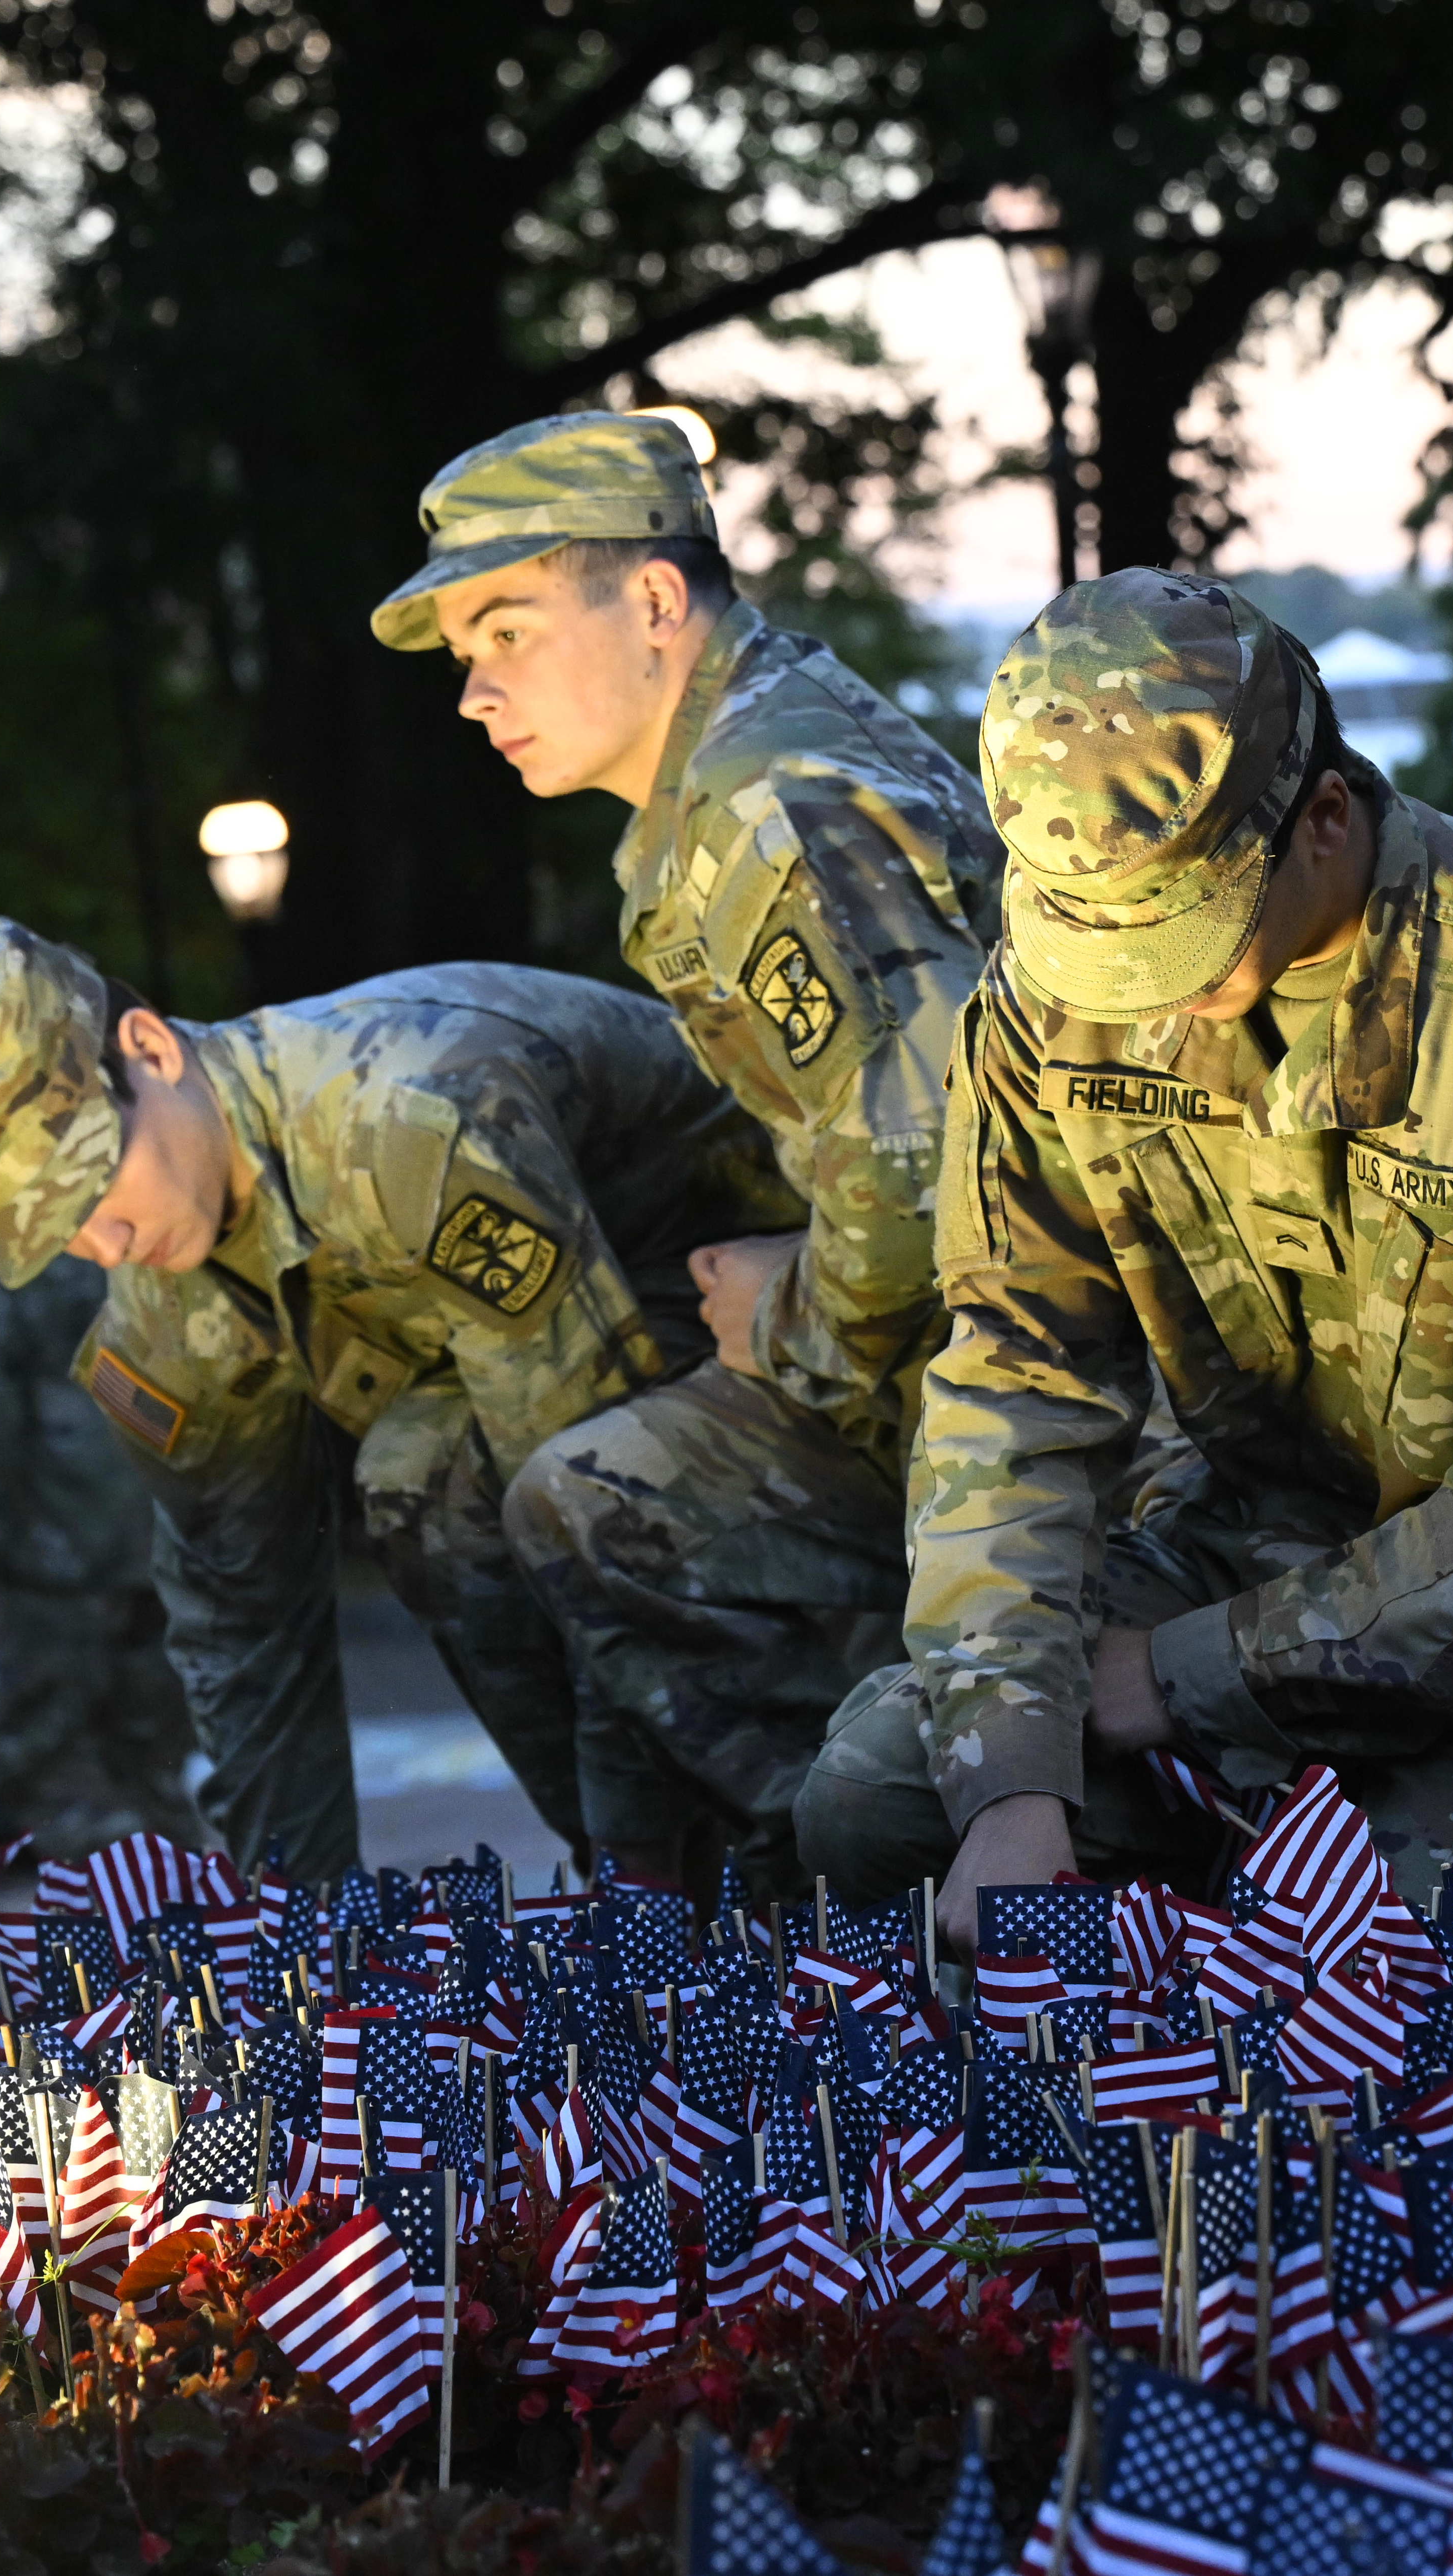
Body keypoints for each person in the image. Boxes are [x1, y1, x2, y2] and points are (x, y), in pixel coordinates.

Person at [795, 570, 1453, 1947]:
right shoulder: (1046, 997)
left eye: (1176, 936)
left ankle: (1264, 1889)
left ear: (1324, 816)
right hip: (1254, 1547)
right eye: (1090, 939)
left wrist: (1183, 1677)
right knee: (880, 1793)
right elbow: (1017, 1379)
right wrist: (1013, 1779)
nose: (1132, 992)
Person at [370, 409, 1002, 1892]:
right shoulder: (727, 781)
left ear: (655, 601)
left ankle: (851, 1906)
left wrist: (782, 1311)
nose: (474, 690)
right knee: (451, 1455)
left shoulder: (776, 811)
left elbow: (929, 1186)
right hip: (938, 1352)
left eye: (507, 629)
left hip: (1026, 1400)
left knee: (591, 1497)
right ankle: (700, 1899)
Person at [0, 917, 800, 1878]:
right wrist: (301, 1945)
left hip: (786, 1306)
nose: (102, 1245)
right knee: (417, 1475)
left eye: (97, 1183)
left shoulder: (407, 1120)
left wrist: (643, 1881)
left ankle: (774, 1875)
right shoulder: (163, 1312)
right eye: (57, 1229)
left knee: (474, 1484)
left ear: (149, 1049)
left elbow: (591, 1507)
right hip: (589, 1402)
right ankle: (663, 1888)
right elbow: (242, 1631)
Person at [0, 1236, 200, 1854]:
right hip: (158, 1536)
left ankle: (130, 1897)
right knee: (149, 1762)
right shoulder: (146, 1239)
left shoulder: (0, 1268)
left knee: (38, 1756)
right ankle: (182, 1912)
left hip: (52, 1553)